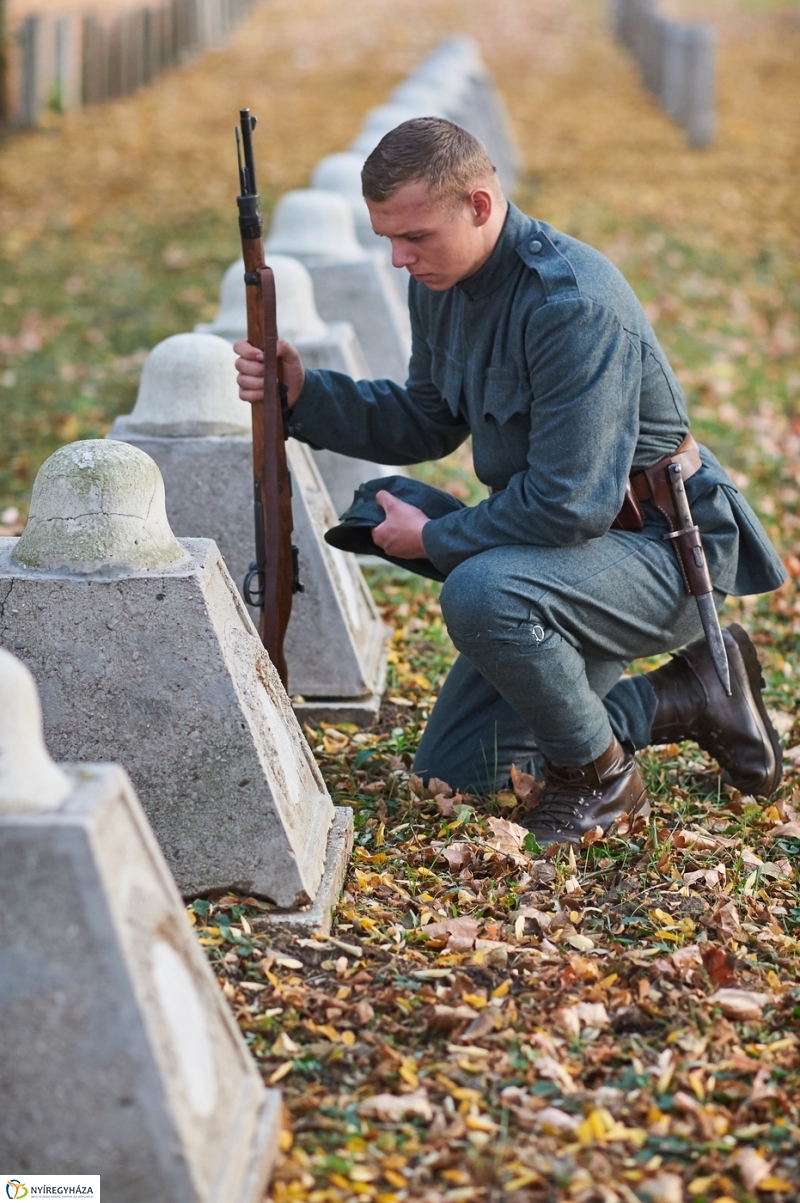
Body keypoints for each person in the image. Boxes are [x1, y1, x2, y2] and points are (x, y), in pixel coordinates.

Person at [235, 118, 786, 844]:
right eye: (387, 239)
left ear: (481, 206)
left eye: (416, 237)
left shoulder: (570, 305)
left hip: (665, 553)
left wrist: (434, 537)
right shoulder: (443, 280)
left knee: (480, 590)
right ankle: (693, 694)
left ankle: (601, 779)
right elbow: (429, 418)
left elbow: (567, 504)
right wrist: (306, 395)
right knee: (469, 767)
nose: (399, 258)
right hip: (576, 553)